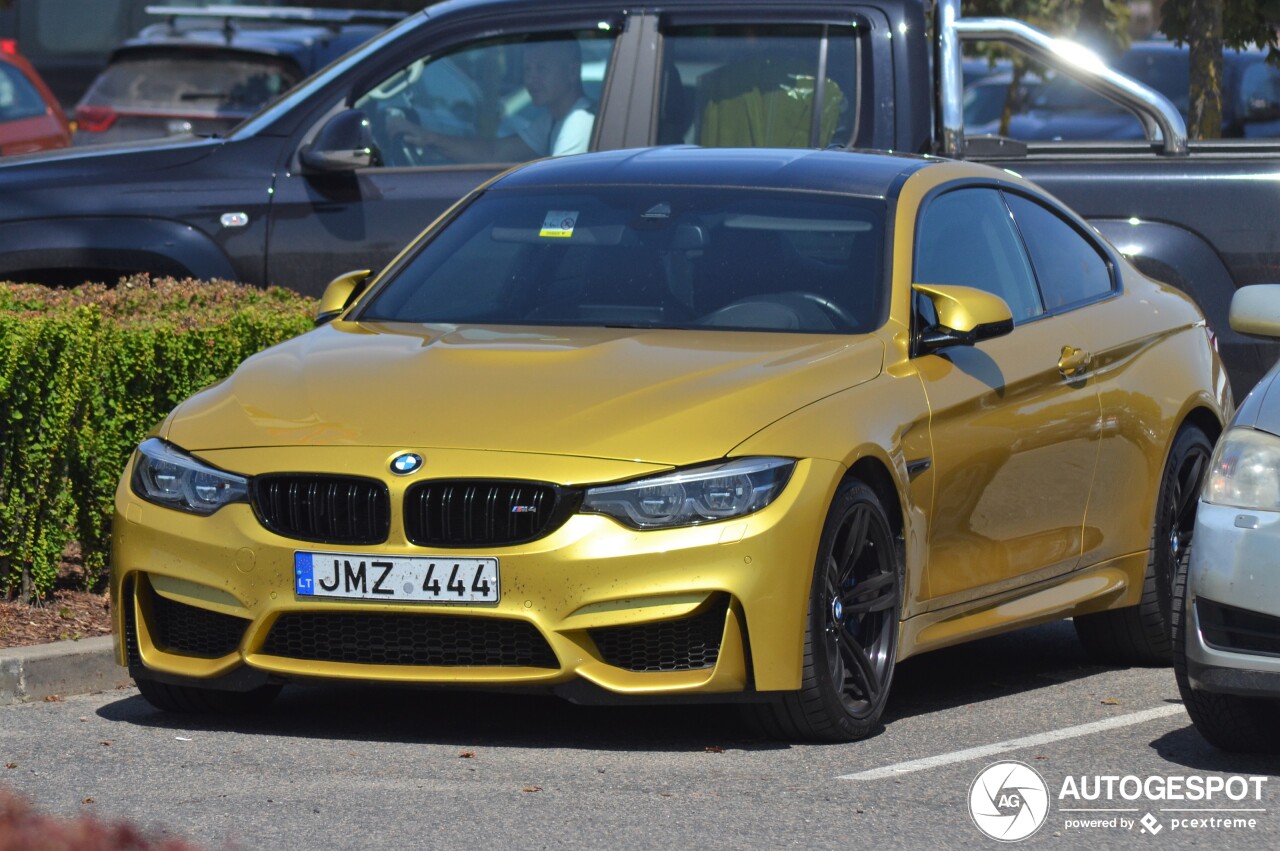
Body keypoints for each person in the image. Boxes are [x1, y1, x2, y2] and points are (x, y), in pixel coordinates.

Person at [389, 38, 593, 162]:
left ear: (572, 72)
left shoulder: (578, 123)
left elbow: (560, 190)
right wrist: (430, 138)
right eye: (527, 69)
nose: (531, 80)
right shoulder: (553, 121)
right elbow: (492, 153)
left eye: (542, 69)